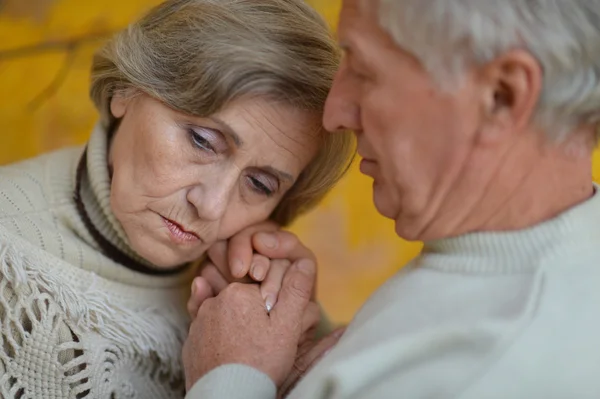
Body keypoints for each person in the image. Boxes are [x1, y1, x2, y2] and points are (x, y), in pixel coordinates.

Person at [182, 0, 600, 398]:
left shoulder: (491, 365)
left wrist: (229, 379)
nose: (335, 114)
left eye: (363, 69)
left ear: (501, 96)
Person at [0, 0, 355, 397]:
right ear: (125, 90)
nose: (212, 206)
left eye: (259, 184)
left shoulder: (250, 289)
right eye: (202, 141)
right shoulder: (9, 258)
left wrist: (294, 342)